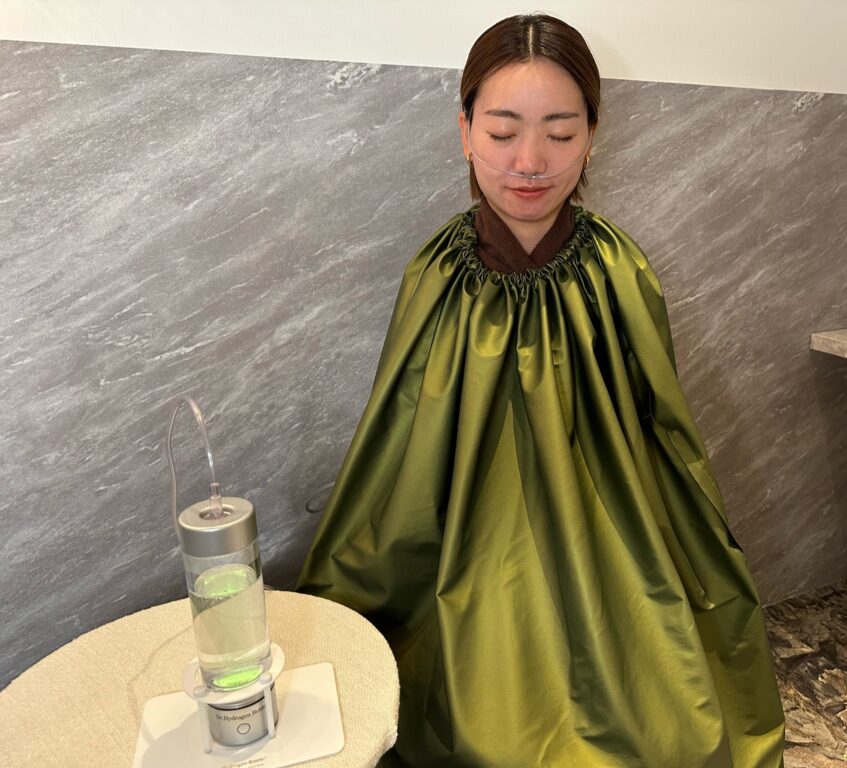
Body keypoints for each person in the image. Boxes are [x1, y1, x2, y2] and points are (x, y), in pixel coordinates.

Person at [298, 14, 786, 767]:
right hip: (460, 537)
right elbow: (402, 438)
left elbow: (660, 434)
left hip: (609, 534)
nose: (529, 162)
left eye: (560, 133)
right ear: (465, 132)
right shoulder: (436, 273)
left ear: (592, 135)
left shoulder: (620, 271)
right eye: (502, 132)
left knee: (664, 716)